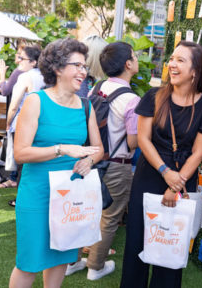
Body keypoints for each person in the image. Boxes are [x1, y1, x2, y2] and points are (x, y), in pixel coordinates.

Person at [120, 41, 202, 288]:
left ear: (195, 70)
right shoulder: (154, 96)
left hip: (183, 182)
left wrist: (175, 185)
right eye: (172, 59)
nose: (172, 64)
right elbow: (143, 139)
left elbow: (198, 153)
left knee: (170, 246)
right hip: (149, 175)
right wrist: (165, 172)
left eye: (180, 60)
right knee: (137, 243)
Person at [9, 38, 104, 288]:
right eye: (77, 65)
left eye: (85, 66)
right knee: (28, 262)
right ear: (58, 68)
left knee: (60, 258)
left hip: (70, 198)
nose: (83, 72)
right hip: (37, 195)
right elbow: (20, 153)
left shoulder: (86, 106)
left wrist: (89, 161)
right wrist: (62, 150)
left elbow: (99, 150)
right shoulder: (36, 101)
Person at [67, 42, 140, 280]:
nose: (137, 60)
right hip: (117, 165)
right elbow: (132, 142)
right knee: (109, 216)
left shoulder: (95, 88)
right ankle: (95, 267)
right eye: (134, 56)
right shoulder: (132, 100)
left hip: (90, 160)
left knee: (84, 212)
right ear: (128, 64)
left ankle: (72, 261)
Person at [5, 45, 45, 206]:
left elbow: (14, 104)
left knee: (22, 163)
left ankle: (21, 199)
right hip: (42, 124)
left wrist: (8, 122)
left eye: (22, 58)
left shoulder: (26, 77)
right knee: (36, 162)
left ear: (34, 62)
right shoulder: (49, 77)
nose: (18, 61)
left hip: (23, 124)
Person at [0, 43, 31, 189]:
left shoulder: (19, 73)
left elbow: (4, 91)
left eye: (20, 56)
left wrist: (2, 74)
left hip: (19, 118)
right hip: (32, 119)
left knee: (16, 152)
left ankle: (13, 180)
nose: (18, 58)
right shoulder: (40, 73)